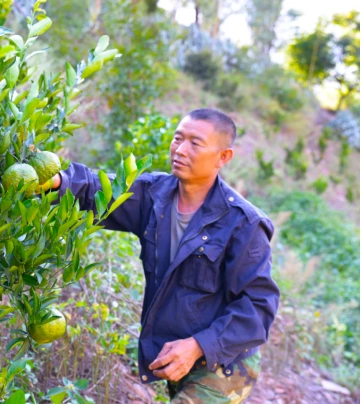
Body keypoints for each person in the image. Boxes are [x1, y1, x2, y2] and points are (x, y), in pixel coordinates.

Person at [49, 108, 280, 403]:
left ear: (223, 157)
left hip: (225, 362)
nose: (180, 150)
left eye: (195, 143)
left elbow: (259, 308)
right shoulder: (154, 194)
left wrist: (198, 345)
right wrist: (56, 181)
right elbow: (99, 189)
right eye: (177, 139)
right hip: (174, 352)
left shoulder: (243, 223)